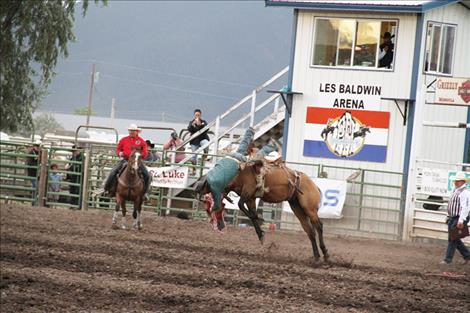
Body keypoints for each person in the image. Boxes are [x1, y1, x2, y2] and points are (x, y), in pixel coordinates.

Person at [197, 127, 277, 214]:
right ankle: (249, 132)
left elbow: (217, 205)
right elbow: (222, 187)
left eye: (203, 193)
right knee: (241, 147)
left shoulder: (214, 186)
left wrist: (211, 212)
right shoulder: (209, 175)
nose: (204, 194)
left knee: (255, 158)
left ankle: (270, 147)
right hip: (229, 156)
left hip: (238, 161)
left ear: (204, 189)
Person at [103, 124, 150, 199]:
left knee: (147, 175)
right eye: (130, 130)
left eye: (133, 130)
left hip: (137, 161)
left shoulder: (141, 142)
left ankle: (145, 193)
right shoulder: (123, 140)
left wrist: (139, 155)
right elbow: (118, 149)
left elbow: (145, 152)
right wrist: (119, 153)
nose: (131, 132)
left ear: (137, 131)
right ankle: (106, 189)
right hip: (125, 160)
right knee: (113, 172)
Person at [441, 171, 470, 265]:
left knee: (452, 238)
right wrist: (448, 216)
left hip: (458, 217)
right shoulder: (456, 190)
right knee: (454, 238)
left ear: (462, 181)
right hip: (453, 217)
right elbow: (452, 205)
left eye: (457, 181)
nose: (455, 182)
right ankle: (467, 255)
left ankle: (447, 260)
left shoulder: (465, 192)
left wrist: (461, 220)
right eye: (455, 181)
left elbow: (465, 207)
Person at [66, 145, 83, 209]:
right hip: (73, 177)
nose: (74, 152)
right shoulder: (73, 157)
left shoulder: (81, 157)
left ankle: (77, 205)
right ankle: (72, 205)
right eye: (73, 151)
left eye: (75, 151)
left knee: (77, 190)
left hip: (78, 177)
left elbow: (79, 167)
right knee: (72, 190)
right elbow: (70, 164)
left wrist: (70, 166)